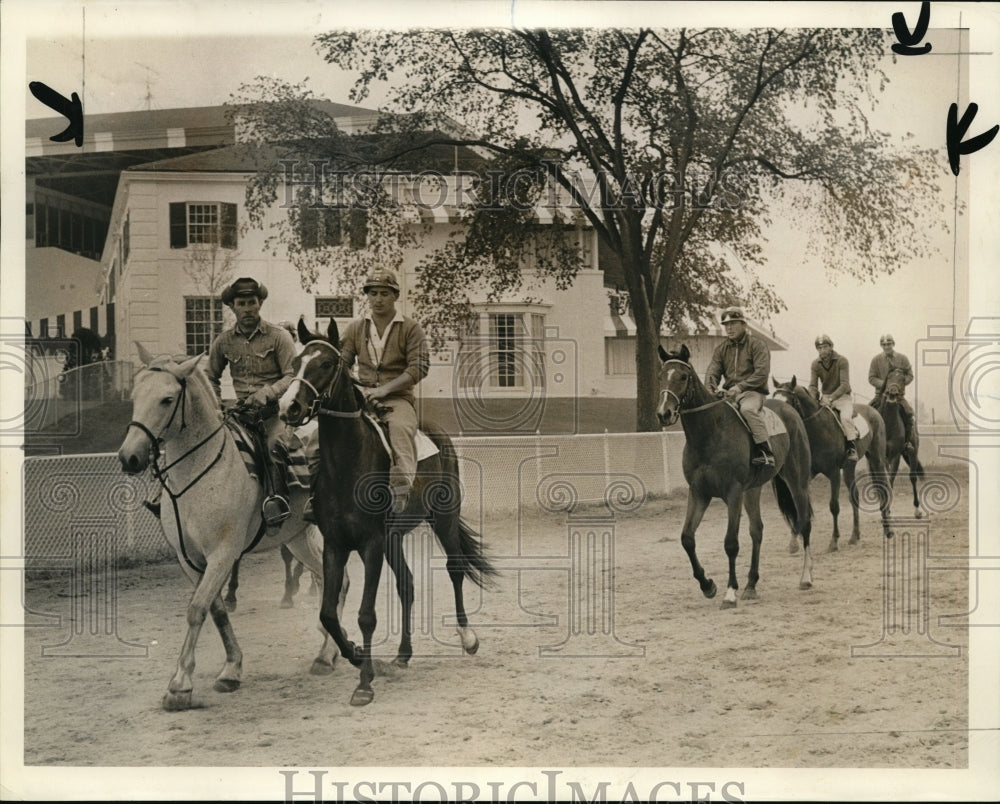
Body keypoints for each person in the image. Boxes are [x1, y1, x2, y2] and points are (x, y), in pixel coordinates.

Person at [144, 277, 297, 527]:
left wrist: (268, 392)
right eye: (242, 303)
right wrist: (216, 405)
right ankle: (165, 497)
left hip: (272, 414)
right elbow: (210, 377)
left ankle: (277, 500)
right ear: (232, 307)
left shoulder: (279, 337)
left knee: (274, 446)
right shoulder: (224, 341)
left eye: (252, 302)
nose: (247, 308)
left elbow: (293, 375)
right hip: (240, 415)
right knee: (199, 443)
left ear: (260, 304)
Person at [339, 269, 430, 513]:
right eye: (373, 293)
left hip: (397, 399)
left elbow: (419, 367)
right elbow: (343, 364)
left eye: (384, 293)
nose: (378, 299)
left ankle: (403, 489)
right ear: (367, 297)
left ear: (395, 296)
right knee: (324, 433)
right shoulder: (355, 329)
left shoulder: (411, 328)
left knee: (400, 429)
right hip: (362, 397)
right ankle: (316, 492)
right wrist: (357, 386)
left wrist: (384, 390)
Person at [705, 306, 775, 466]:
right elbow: (712, 372)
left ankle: (766, 452)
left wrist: (740, 387)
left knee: (747, 410)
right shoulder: (721, 349)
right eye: (726, 325)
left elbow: (762, 373)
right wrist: (711, 389)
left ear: (744, 325)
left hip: (753, 393)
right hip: (729, 394)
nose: (729, 328)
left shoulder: (757, 345)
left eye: (733, 323)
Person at [808, 334, 859, 461]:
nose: (822, 351)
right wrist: (812, 397)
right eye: (819, 348)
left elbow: (845, 385)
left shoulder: (842, 360)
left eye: (825, 347)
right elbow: (813, 385)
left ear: (831, 347)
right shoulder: (815, 364)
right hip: (825, 398)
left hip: (842, 397)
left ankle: (851, 447)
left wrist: (831, 398)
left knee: (846, 417)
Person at [868, 333, 915, 450]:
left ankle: (907, 442)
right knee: (867, 414)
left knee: (909, 414)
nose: (886, 347)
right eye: (884, 345)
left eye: (888, 344)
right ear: (881, 346)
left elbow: (910, 375)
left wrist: (899, 385)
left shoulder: (902, 358)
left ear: (893, 344)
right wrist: (885, 385)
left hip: (898, 396)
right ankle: (869, 444)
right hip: (880, 396)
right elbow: (871, 378)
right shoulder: (876, 360)